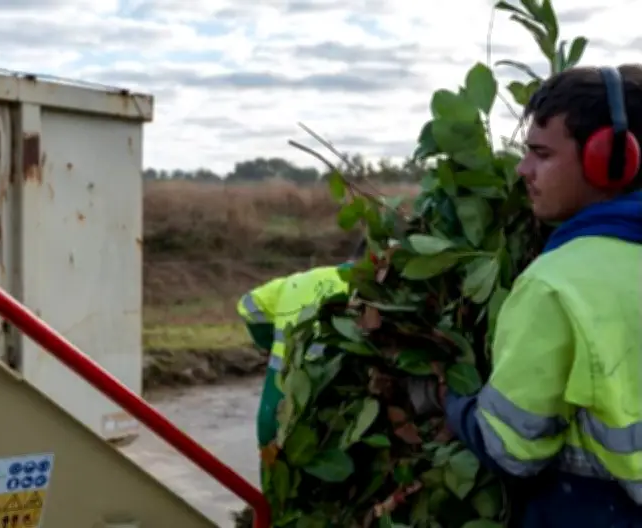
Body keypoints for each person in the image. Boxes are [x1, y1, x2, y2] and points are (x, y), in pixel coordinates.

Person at [411, 65, 642, 527]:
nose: (523, 169)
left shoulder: (557, 284)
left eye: (541, 154)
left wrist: (448, 401)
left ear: (610, 160)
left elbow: (510, 449)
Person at [238, 238, 367, 450]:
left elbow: (249, 305)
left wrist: (269, 342)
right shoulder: (369, 295)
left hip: (274, 422)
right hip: (327, 429)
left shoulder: (300, 281)